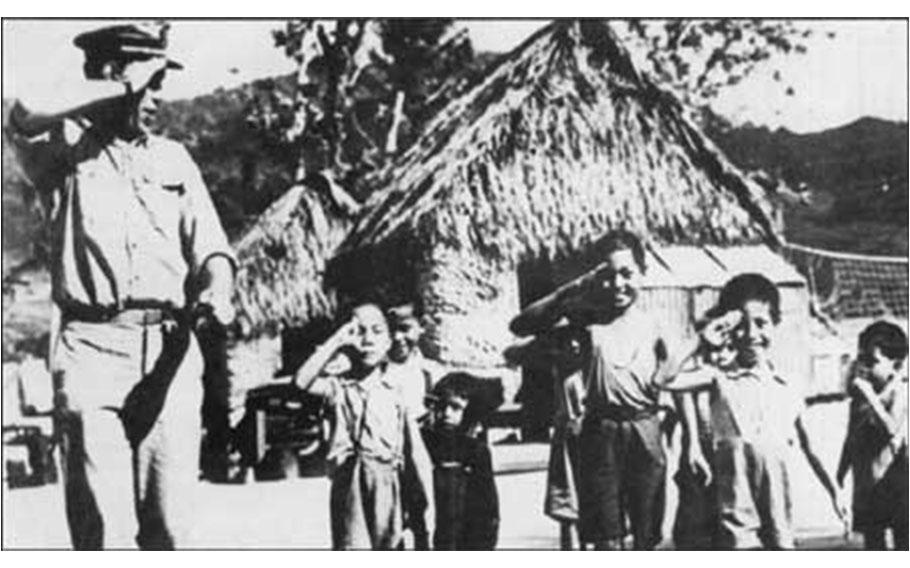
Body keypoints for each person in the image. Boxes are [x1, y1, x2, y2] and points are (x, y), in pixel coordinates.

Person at [5, 22, 235, 549]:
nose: (156, 98)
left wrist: (216, 289)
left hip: (171, 352)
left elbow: (213, 250)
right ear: (112, 76)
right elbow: (23, 111)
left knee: (172, 528)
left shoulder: (174, 158)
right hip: (92, 350)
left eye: (159, 86)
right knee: (103, 532)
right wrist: (118, 86)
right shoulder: (61, 149)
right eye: (148, 84)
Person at [510, 230, 682, 550]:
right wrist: (573, 288)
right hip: (599, 432)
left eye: (627, 274)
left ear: (643, 274)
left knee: (648, 533)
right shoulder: (584, 320)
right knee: (605, 536)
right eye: (608, 276)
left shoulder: (655, 324)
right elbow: (520, 326)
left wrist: (684, 433)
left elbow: (677, 369)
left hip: (645, 428)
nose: (617, 284)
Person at [661, 273, 847, 549]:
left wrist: (835, 491)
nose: (751, 335)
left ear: (776, 324)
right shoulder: (717, 378)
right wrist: (702, 340)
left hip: (776, 510)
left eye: (761, 323)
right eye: (740, 326)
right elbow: (663, 379)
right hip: (735, 509)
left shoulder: (788, 384)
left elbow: (812, 447)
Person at [294, 302, 434, 550]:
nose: (368, 340)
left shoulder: (398, 389)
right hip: (350, 485)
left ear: (390, 340)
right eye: (359, 331)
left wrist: (424, 509)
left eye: (377, 331)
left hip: (390, 482)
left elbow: (416, 454)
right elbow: (301, 382)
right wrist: (337, 341)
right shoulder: (338, 388)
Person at [836, 321, 908, 550]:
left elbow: (890, 428)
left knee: (902, 541)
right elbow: (850, 436)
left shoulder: (899, 392)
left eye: (873, 362)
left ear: (895, 365)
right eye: (863, 360)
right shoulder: (859, 399)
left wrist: (871, 398)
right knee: (873, 542)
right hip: (866, 484)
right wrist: (840, 473)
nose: (866, 368)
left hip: (895, 486)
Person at [421, 372, 500, 550]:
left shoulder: (477, 451)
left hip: (468, 534)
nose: (446, 413)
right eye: (441, 406)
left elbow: (488, 506)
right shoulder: (426, 444)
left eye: (455, 408)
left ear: (471, 411)